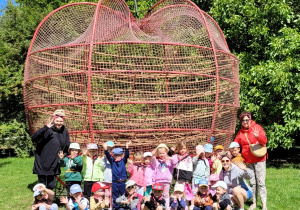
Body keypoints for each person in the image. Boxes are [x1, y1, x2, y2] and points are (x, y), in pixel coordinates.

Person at [234, 111, 268, 210]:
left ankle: (264, 204)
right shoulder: (240, 133)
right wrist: (232, 152)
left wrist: (258, 136)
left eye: (247, 120)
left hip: (259, 159)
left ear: (250, 119)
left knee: (261, 182)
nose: (245, 122)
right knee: (253, 182)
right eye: (243, 120)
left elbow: (264, 141)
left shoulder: (257, 127)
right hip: (248, 161)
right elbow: (236, 144)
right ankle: (254, 202)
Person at [32, 109, 70, 189]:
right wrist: (44, 128)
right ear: (54, 120)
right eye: (57, 121)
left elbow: (67, 146)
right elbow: (34, 137)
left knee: (51, 185)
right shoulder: (48, 130)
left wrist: (64, 155)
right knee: (42, 185)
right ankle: (41, 200)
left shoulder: (64, 131)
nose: (59, 123)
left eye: (61, 121)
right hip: (43, 161)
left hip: (54, 162)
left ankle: (49, 200)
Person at [103, 140, 131, 209]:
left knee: (123, 194)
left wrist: (127, 147)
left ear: (121, 155)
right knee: (115, 195)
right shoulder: (112, 161)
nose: (117, 156)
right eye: (116, 155)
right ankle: (116, 207)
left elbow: (127, 155)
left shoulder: (123, 161)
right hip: (115, 182)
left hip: (122, 182)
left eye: (119, 155)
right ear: (113, 155)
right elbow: (108, 155)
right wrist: (105, 149)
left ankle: (124, 207)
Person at [152, 143, 178, 209]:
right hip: (158, 181)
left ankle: (166, 207)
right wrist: (152, 155)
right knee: (157, 195)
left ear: (166, 152)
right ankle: (157, 206)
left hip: (166, 181)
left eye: (163, 153)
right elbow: (153, 163)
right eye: (160, 153)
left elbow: (175, 163)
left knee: (166, 195)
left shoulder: (169, 161)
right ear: (158, 154)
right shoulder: (157, 161)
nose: (162, 155)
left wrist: (170, 158)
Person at [101, 141, 115, 206]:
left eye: (111, 149)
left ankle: (111, 206)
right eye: (108, 149)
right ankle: (106, 204)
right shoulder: (104, 158)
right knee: (106, 193)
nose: (110, 150)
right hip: (106, 178)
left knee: (112, 193)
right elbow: (102, 167)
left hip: (113, 178)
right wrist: (104, 159)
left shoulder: (115, 157)